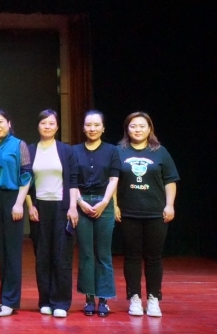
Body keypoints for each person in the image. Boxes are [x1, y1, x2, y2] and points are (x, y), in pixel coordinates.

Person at [116, 111, 178, 318]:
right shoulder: (119, 151)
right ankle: (134, 297)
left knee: (154, 258)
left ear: (149, 128)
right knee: (132, 257)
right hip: (128, 212)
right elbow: (112, 180)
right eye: (133, 126)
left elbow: (170, 180)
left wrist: (170, 205)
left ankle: (153, 298)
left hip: (155, 213)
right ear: (127, 129)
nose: (138, 130)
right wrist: (114, 205)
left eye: (142, 126)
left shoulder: (160, 152)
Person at [26, 109, 79, 318]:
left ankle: (61, 302)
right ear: (38, 126)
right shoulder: (30, 150)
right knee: (42, 256)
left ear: (57, 127)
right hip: (39, 208)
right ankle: (45, 301)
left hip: (62, 207)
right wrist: (30, 206)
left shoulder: (66, 151)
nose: (47, 126)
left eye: (51, 123)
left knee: (62, 256)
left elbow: (73, 180)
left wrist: (73, 206)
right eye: (43, 123)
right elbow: (25, 181)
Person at [73, 110, 120, 317]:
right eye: (88, 125)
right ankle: (89, 299)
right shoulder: (74, 151)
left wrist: (105, 202)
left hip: (104, 202)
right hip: (82, 202)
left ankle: (104, 299)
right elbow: (71, 180)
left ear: (103, 128)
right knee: (86, 253)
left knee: (103, 253)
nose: (92, 129)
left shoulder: (112, 150)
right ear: (83, 128)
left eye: (96, 125)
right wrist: (80, 202)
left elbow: (114, 179)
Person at [0, 108, 32, 318]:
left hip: (13, 198)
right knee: (1, 252)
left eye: (0, 122)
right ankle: (5, 299)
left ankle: (11, 301)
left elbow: (26, 175)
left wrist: (19, 203)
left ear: (9, 123)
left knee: (12, 252)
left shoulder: (19, 145)